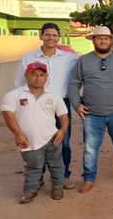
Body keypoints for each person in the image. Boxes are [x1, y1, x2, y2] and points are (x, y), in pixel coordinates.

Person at [68, 26, 113, 193]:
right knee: (90, 149)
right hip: (92, 115)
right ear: (93, 40)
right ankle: (89, 179)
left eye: (106, 38)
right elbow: (74, 83)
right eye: (99, 38)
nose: (103, 41)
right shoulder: (83, 61)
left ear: (111, 40)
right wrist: (76, 105)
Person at [14, 22, 78, 190]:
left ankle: (63, 176)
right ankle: (38, 177)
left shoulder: (69, 58)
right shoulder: (29, 58)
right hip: (35, 104)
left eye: (55, 35)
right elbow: (19, 82)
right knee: (36, 142)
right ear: (41, 36)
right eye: (48, 34)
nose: (51, 38)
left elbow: (79, 79)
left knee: (62, 141)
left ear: (59, 37)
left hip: (60, 105)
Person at [2, 62, 68, 204]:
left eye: (41, 75)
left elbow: (63, 116)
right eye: (34, 75)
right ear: (27, 76)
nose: (38, 78)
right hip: (28, 140)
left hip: (52, 138)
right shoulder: (14, 95)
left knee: (56, 164)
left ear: (46, 77)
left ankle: (57, 187)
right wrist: (18, 134)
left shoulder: (53, 96)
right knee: (33, 166)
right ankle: (30, 190)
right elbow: (7, 113)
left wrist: (62, 130)